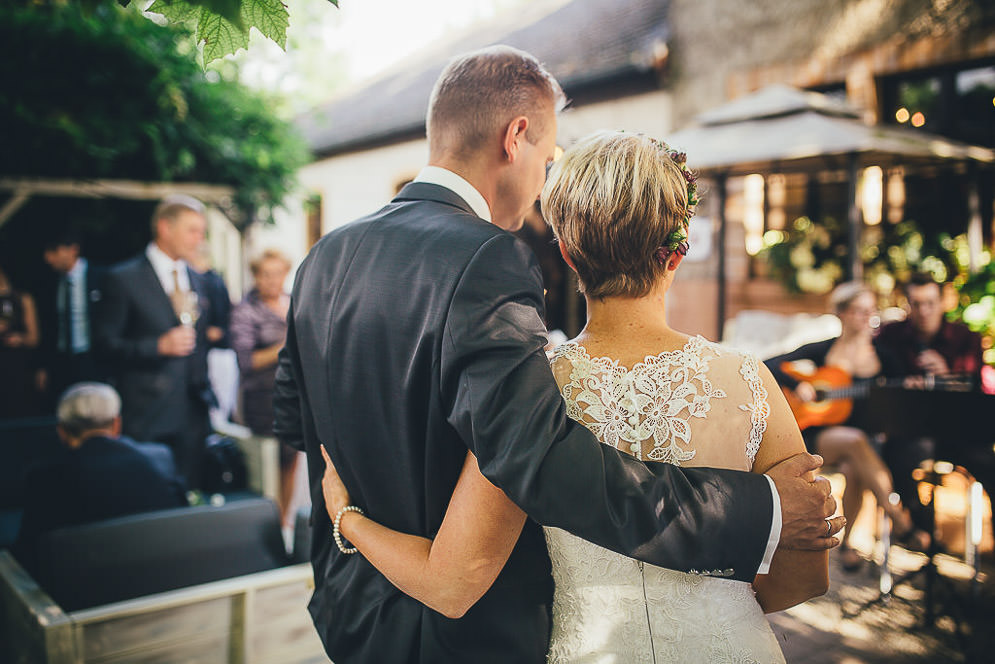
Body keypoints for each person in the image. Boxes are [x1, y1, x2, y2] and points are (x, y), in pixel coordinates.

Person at [274, 46, 840, 664]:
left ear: (568, 255)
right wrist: (767, 513)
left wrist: (347, 520)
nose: (541, 178)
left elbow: (298, 420)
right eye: (547, 158)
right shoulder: (749, 380)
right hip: (468, 639)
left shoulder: (321, 259)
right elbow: (536, 458)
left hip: (352, 613)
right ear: (517, 136)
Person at [765, 281, 928, 569]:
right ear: (841, 313)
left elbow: (904, 393)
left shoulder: (883, 356)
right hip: (821, 434)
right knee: (853, 440)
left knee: (856, 463)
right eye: (859, 311)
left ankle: (847, 544)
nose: (867, 317)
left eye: (871, 311)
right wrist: (799, 384)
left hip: (870, 440)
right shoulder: (825, 350)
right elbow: (770, 363)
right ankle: (896, 514)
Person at [95, 195, 215, 490]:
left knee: (189, 497)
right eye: (192, 230)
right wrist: (157, 346)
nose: (199, 239)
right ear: (165, 227)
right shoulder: (123, 279)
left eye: (201, 231)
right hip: (147, 415)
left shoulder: (199, 280)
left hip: (193, 414)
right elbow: (104, 346)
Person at [13, 382, 187, 570]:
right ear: (116, 424)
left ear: (61, 431)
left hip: (80, 590)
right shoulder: (160, 458)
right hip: (162, 578)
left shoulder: (44, 478)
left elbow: (28, 552)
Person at [877, 272, 990, 535]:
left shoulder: (966, 339)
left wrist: (946, 374)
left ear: (941, 303)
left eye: (929, 303)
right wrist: (905, 385)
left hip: (959, 435)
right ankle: (921, 532)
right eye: (916, 304)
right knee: (899, 459)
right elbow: (879, 384)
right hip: (909, 434)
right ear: (908, 305)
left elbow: (975, 389)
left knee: (989, 465)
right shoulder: (890, 337)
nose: (924, 311)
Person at [230, 248, 297, 523]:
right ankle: (268, 524)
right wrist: (286, 345)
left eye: (278, 273)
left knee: (291, 459)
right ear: (256, 276)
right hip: (262, 399)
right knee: (267, 466)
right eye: (266, 274)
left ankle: (284, 520)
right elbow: (246, 361)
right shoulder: (245, 311)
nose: (273, 280)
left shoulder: (295, 301)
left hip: (294, 395)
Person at [39, 232, 105, 405]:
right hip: (62, 359)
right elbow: (48, 326)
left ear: (73, 249)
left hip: (92, 358)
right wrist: (43, 365)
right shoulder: (50, 283)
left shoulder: (102, 278)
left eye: (54, 251)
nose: (48, 258)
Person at [0, 261, 40, 419]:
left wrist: (20, 339)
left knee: (17, 410)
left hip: (16, 365)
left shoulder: (21, 298)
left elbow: (34, 338)